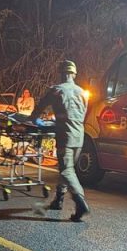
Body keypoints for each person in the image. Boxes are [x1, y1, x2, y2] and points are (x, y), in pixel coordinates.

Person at [30, 59, 90, 221]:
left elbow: (40, 108)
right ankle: (59, 199)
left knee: (66, 170)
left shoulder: (56, 90)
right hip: (79, 136)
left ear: (62, 74)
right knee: (68, 168)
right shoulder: (82, 92)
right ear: (74, 74)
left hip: (65, 135)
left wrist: (34, 119)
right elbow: (82, 114)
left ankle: (80, 202)